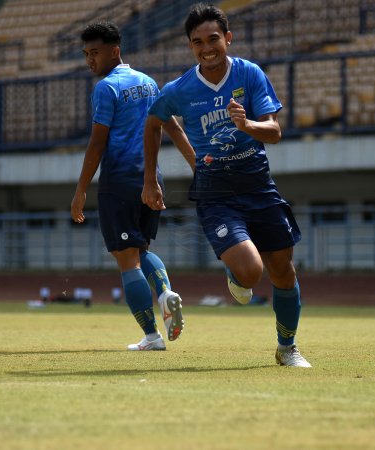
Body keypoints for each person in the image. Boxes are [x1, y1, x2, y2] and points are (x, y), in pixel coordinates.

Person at [142, 3, 311, 367]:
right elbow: (154, 121)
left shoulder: (249, 74)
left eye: (213, 39)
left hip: (258, 184)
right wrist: (150, 179)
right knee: (252, 271)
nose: (206, 48)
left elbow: (275, 131)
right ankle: (237, 274)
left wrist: (248, 125)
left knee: (282, 268)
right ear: (190, 46)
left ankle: (287, 348)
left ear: (228, 38)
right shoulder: (180, 88)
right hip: (216, 191)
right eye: (197, 42)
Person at [70, 21, 195, 351]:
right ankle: (166, 292)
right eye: (85, 54)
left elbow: (97, 143)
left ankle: (152, 336)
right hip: (152, 179)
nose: (89, 61)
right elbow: (174, 129)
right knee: (141, 250)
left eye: (94, 53)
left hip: (120, 180)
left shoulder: (106, 88)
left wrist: (81, 188)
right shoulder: (149, 83)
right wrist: (196, 164)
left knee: (127, 259)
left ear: (115, 51)